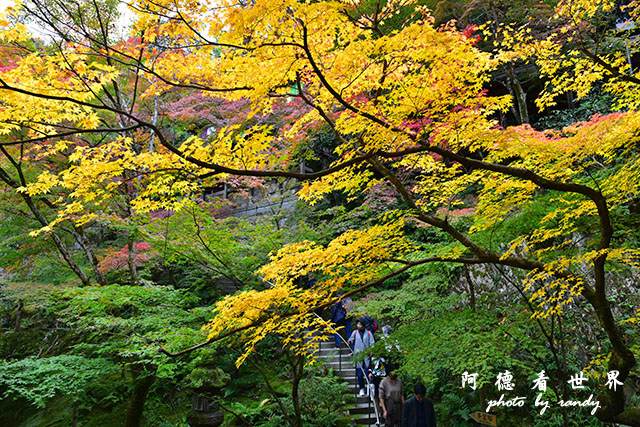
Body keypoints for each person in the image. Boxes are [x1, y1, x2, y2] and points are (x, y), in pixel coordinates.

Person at [348, 318, 375, 396]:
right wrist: (349, 341)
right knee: (359, 374)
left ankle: (369, 388)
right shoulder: (355, 332)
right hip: (358, 356)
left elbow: (372, 344)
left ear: (363, 325)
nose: (358, 326)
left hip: (367, 356)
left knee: (368, 373)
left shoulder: (369, 333)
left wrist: (371, 351)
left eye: (360, 324)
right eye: (358, 324)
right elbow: (351, 340)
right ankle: (361, 389)